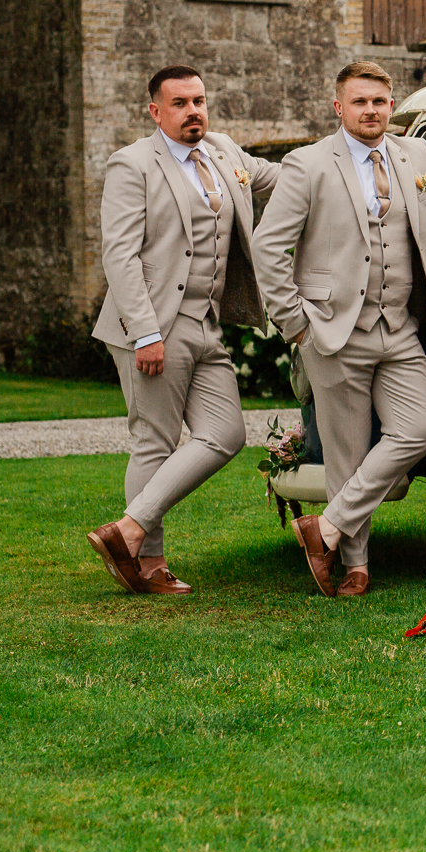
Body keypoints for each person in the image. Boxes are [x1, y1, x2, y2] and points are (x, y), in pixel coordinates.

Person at [254, 62, 426, 597]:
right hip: (331, 329)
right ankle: (356, 566)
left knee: (420, 431)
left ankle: (327, 528)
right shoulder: (309, 163)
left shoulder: (419, 156)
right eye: (360, 102)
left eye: (380, 102)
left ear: (392, 106)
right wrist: (296, 324)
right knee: (346, 452)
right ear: (339, 107)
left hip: (401, 327)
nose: (371, 111)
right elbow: (268, 246)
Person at [84, 66, 282, 595]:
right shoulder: (132, 164)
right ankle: (148, 565)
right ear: (155, 110)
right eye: (179, 103)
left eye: (198, 100)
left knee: (227, 433)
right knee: (154, 440)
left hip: (205, 323)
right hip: (152, 326)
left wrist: (367, 144)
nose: (193, 111)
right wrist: (145, 333)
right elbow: (120, 255)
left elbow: (291, 177)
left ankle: (126, 529)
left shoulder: (224, 151)